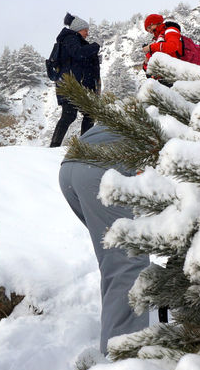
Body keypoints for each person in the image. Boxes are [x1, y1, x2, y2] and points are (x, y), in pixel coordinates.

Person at [59, 124, 150, 354]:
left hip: (72, 166)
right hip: (105, 165)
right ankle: (123, 357)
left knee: (117, 261)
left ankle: (121, 332)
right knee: (127, 262)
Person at [48, 13, 101, 147]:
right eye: (85, 30)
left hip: (75, 85)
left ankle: (84, 145)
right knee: (70, 115)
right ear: (78, 29)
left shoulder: (73, 40)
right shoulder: (70, 39)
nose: (87, 34)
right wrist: (94, 47)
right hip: (70, 85)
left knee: (88, 113)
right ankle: (56, 146)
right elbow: (78, 54)